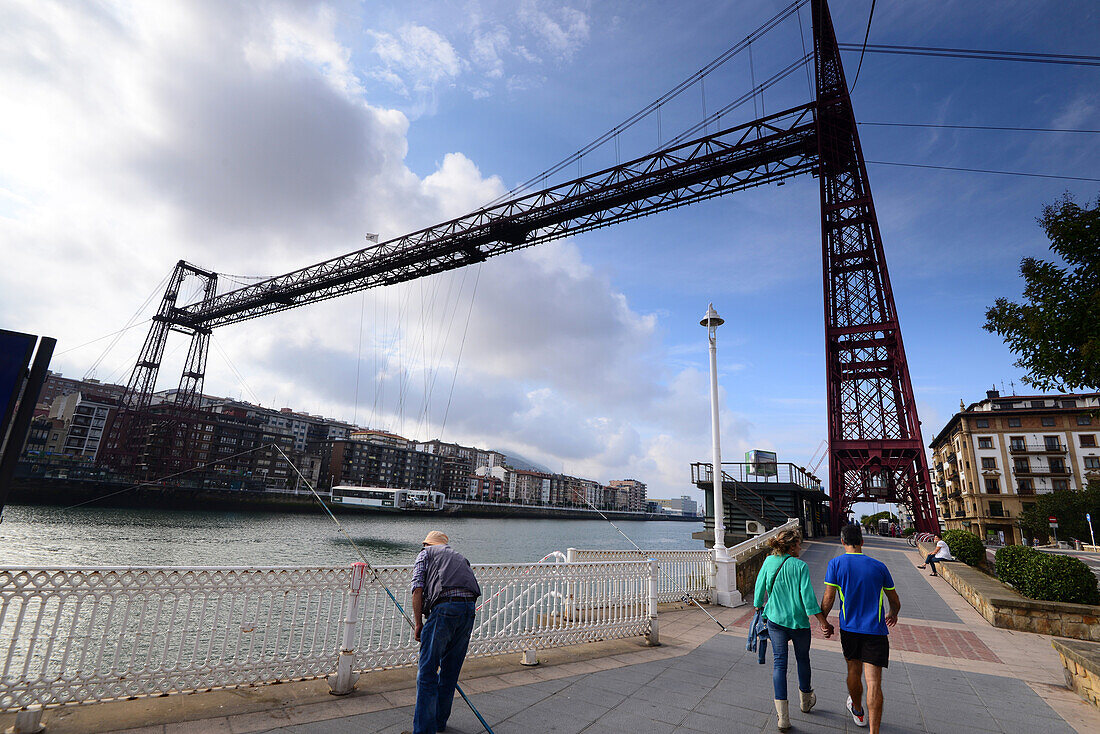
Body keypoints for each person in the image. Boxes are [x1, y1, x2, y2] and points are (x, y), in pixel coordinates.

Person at [820, 524, 900, 734]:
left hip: (850, 629)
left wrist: (823, 621)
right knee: (874, 682)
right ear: (862, 542)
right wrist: (893, 613)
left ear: (842, 541)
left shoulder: (835, 564)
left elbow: (829, 598)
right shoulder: (879, 566)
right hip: (875, 630)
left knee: (853, 672)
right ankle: (874, 732)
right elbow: (894, 600)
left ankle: (857, 709)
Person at [754, 528, 835, 731]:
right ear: (791, 547)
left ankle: (783, 718)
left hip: (775, 620)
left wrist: (759, 606)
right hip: (798, 623)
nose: (800, 547)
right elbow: (807, 599)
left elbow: (759, 589)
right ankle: (806, 701)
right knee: (802, 659)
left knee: (779, 664)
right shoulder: (800, 566)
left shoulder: (768, 561)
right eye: (798, 544)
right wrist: (823, 622)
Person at [405, 531, 482, 734]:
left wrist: (418, 623)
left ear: (427, 544)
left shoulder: (426, 554)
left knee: (427, 672)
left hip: (444, 611)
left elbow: (417, 590)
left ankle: (423, 731)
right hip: (468, 611)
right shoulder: (459, 556)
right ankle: (439, 723)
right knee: (449, 672)